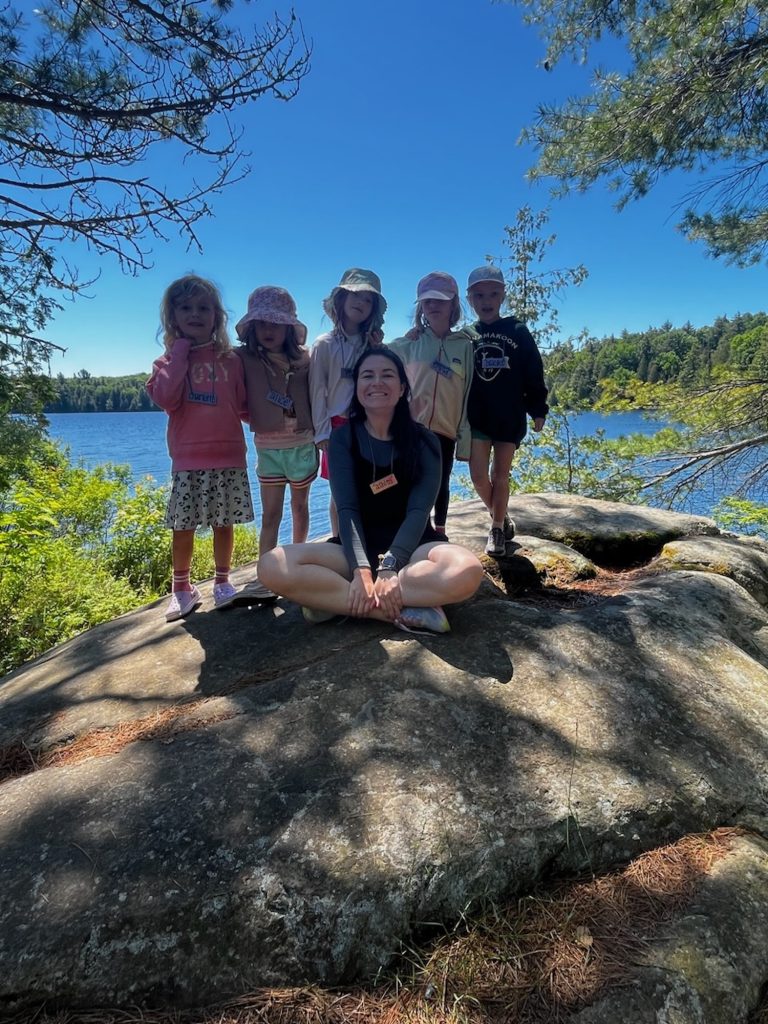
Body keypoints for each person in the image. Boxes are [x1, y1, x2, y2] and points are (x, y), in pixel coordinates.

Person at [258, 348, 483, 634]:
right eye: (368, 375)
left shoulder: (425, 441)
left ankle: (334, 602)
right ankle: (390, 611)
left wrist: (390, 566)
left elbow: (418, 511)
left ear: (402, 388)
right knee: (271, 566)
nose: (377, 382)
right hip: (354, 549)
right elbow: (347, 509)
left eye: (387, 375)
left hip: (413, 547)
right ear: (358, 388)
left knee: (467, 571)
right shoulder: (343, 438)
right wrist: (362, 570)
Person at [147, 274, 254, 621]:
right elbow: (166, 397)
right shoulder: (166, 362)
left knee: (225, 524)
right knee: (184, 527)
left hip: (229, 456)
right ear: (173, 316)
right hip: (188, 460)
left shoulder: (231, 359)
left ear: (216, 316)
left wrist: (279, 425)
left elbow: (243, 405)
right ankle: (182, 588)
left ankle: (222, 581)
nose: (195, 314)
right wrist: (179, 351)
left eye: (204, 308)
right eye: (186, 308)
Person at [236, 286, 317, 599]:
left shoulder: (307, 359)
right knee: (270, 515)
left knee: (300, 506)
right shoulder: (243, 358)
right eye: (262, 323)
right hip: (268, 449)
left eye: (275, 323)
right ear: (252, 328)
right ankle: (263, 574)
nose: (268, 330)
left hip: (302, 445)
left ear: (289, 327)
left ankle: (298, 560)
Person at [465, 265, 548, 555]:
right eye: (479, 295)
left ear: (502, 296)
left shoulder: (517, 331)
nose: (486, 301)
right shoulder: (466, 334)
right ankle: (501, 513)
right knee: (478, 475)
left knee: (500, 473)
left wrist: (538, 408)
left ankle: (497, 529)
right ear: (469, 299)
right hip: (477, 416)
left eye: (493, 294)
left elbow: (533, 371)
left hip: (510, 415)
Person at [389, 272, 475, 537]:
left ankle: (439, 531)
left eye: (440, 300)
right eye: (427, 301)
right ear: (421, 307)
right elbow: (375, 359)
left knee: (441, 481)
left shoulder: (465, 346)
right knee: (412, 479)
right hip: (413, 427)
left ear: (453, 305)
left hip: (446, 429)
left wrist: (466, 438)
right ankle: (416, 528)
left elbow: (468, 392)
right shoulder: (408, 344)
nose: (434, 306)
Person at [309, 268, 387, 533]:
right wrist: (321, 432)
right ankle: (339, 539)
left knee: (372, 482)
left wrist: (378, 350)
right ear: (340, 299)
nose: (360, 303)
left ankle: (369, 535)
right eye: (355, 295)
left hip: (369, 424)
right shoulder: (324, 344)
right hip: (338, 426)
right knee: (340, 489)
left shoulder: (371, 345)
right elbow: (317, 390)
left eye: (368, 299)